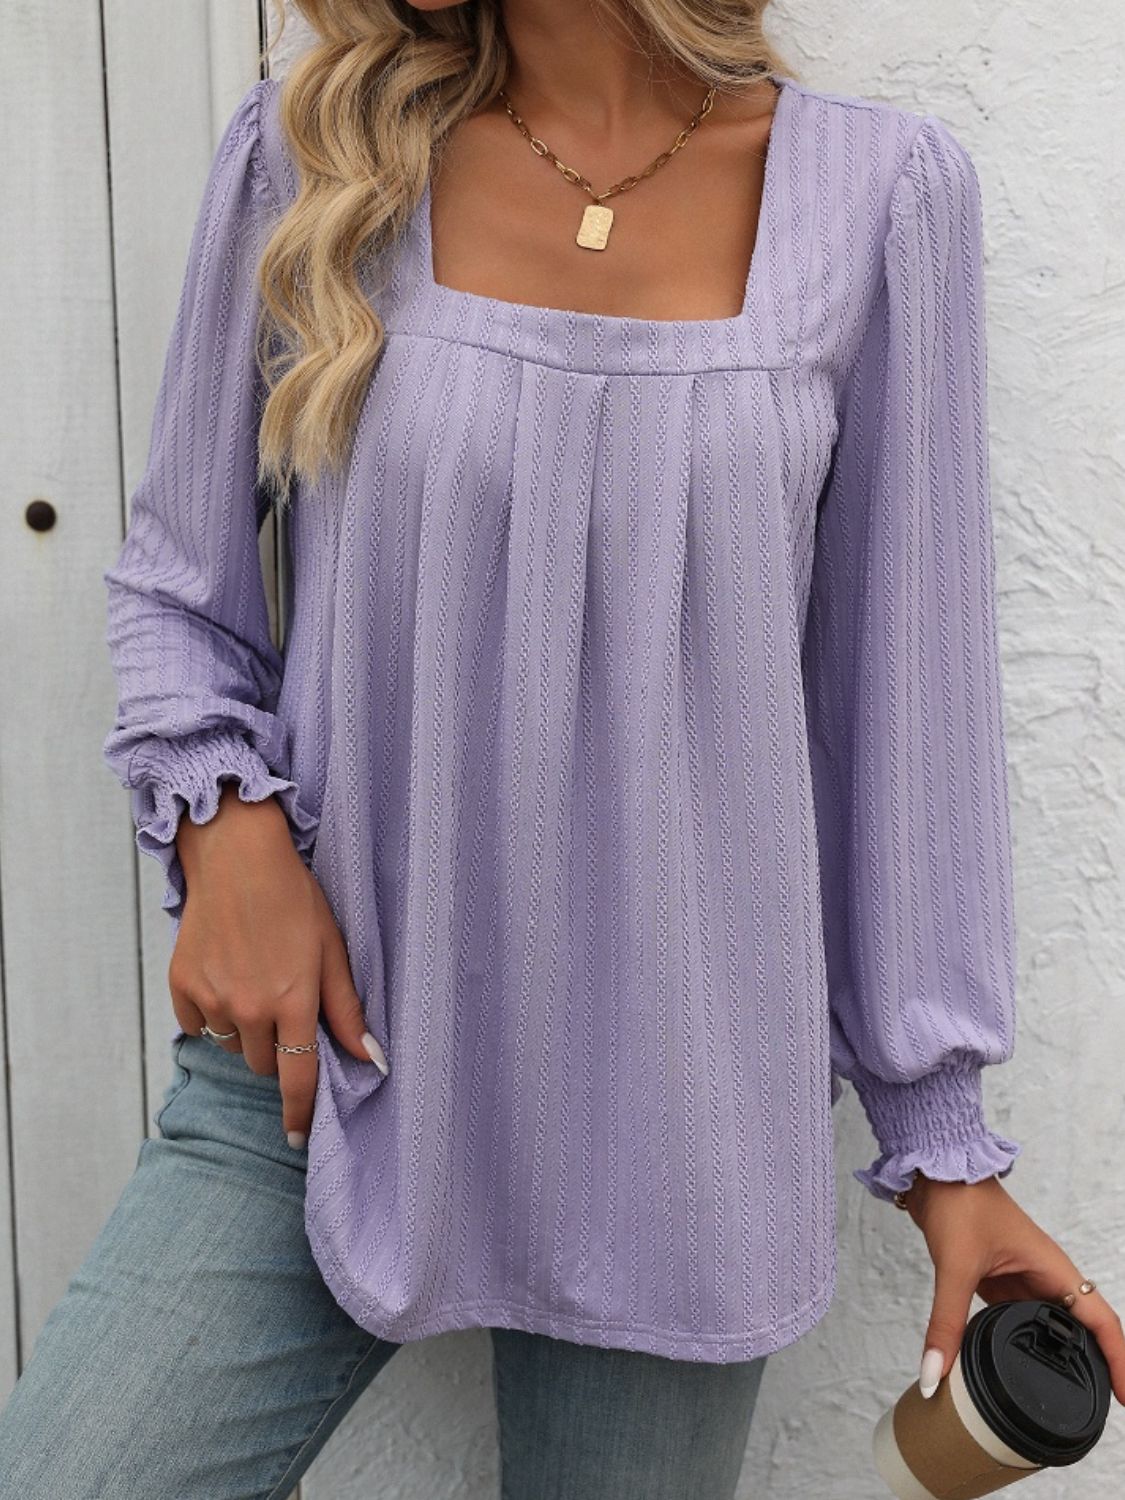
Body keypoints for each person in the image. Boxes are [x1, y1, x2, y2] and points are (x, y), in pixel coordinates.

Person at [1, 2, 1121, 1496]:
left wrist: (943, 1147)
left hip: (678, 1131)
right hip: (326, 1060)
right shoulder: (314, 153)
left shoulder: (880, 197)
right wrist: (229, 832)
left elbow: (900, 710)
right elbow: (177, 588)